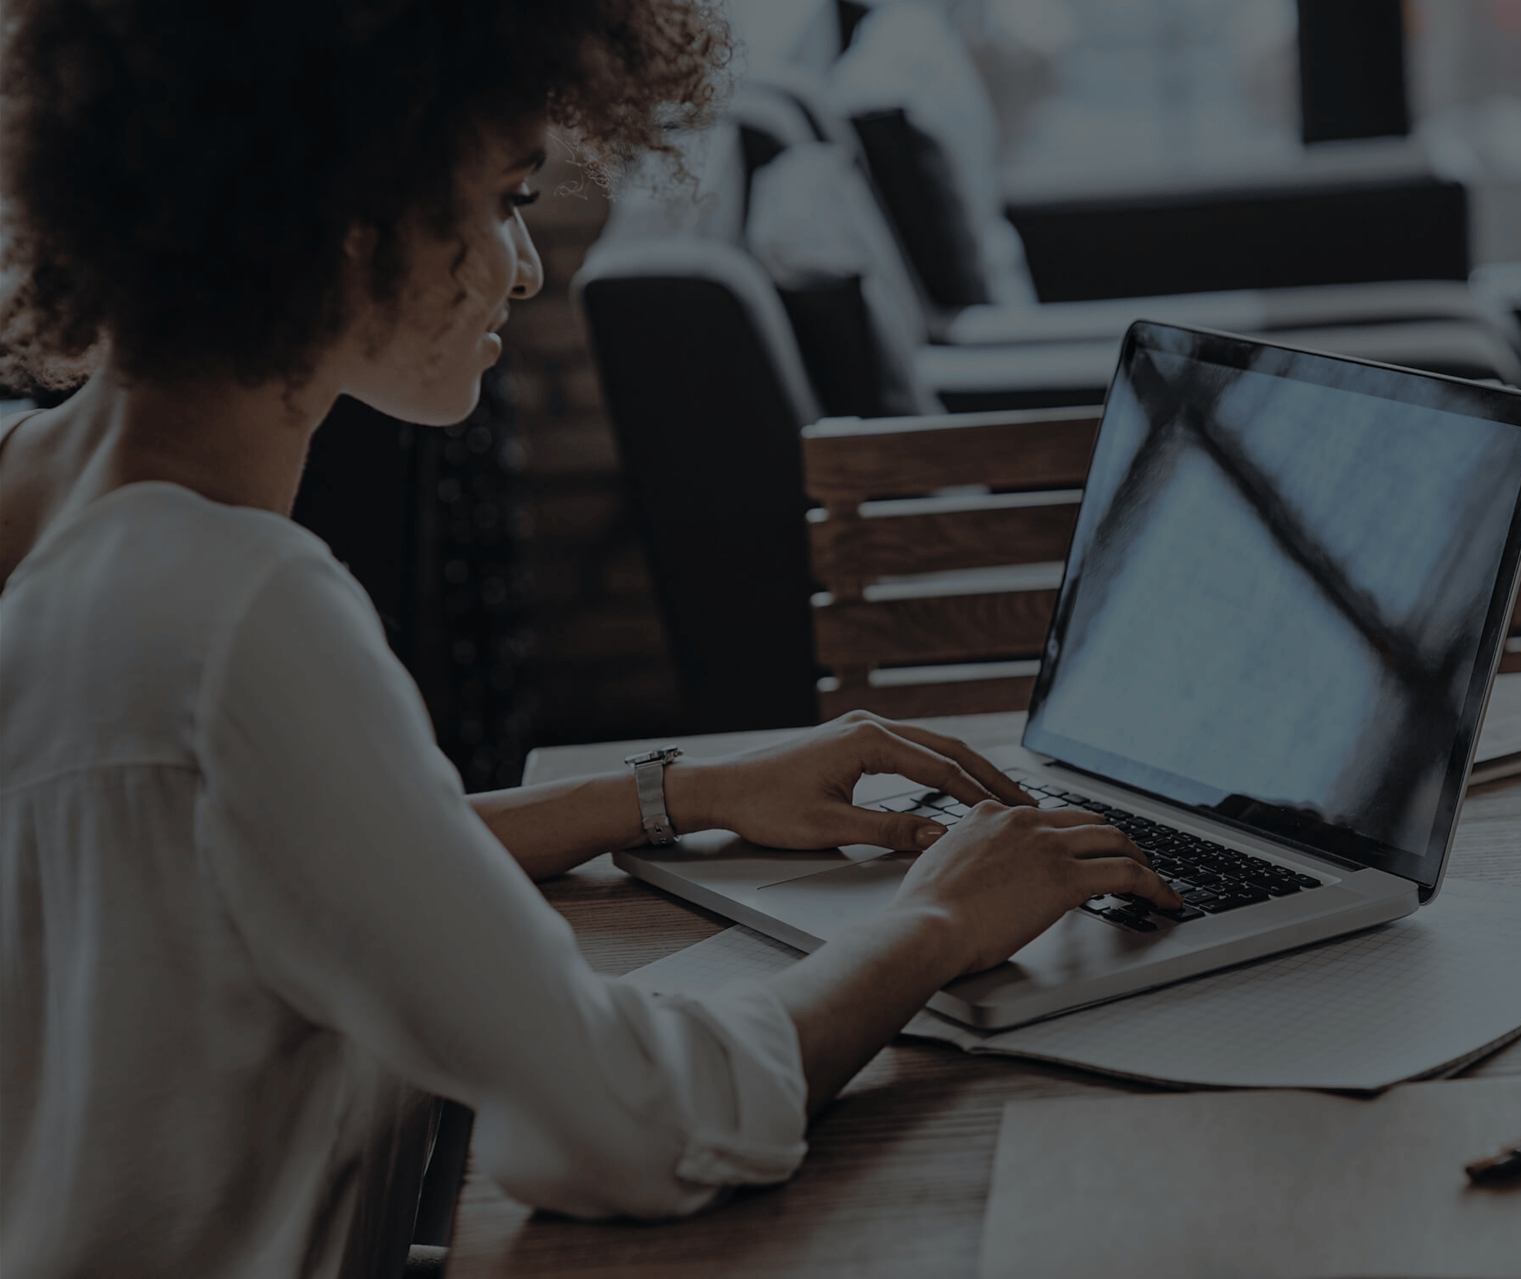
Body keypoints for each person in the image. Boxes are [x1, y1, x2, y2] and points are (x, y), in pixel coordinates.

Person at [0, 3, 1178, 1276]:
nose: (527, 266)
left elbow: (295, 847)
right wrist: (941, 920)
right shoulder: (239, 607)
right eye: (504, 199)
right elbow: (632, 1126)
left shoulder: (44, 495)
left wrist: (674, 793)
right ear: (349, 215)